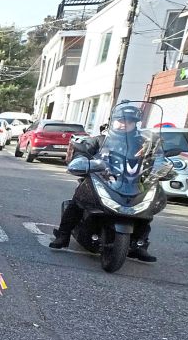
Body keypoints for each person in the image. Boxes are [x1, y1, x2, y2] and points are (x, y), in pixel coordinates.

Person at [49, 104, 158, 261]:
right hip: (99, 180)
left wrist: (159, 168)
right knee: (78, 202)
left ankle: (140, 244)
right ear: (112, 121)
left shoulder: (143, 144)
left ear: (135, 124)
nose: (124, 124)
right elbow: (82, 152)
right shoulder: (99, 141)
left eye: (129, 121)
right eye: (120, 120)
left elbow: (155, 159)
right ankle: (63, 235)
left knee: (145, 212)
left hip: (131, 184)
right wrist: (81, 161)